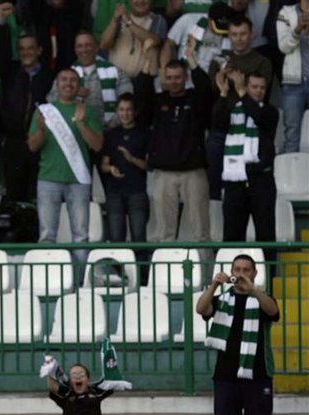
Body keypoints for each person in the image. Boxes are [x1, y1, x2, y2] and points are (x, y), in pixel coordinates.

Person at [196, 254, 280, 415]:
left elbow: (273, 311)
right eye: (237, 269)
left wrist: (253, 290)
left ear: (254, 274)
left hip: (257, 378)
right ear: (230, 271)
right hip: (225, 379)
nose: (241, 273)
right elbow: (201, 309)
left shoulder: (261, 298)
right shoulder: (222, 300)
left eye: (246, 270)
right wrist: (213, 285)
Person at [28, 68, 103, 269]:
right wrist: (42, 130)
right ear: (57, 84)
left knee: (80, 236)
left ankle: (79, 284)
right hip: (48, 178)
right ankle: (47, 280)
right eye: (64, 80)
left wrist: (81, 124)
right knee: (46, 235)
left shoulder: (88, 111)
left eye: (72, 80)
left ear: (78, 86)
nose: (68, 84)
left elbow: (97, 145)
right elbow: (32, 146)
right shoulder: (44, 111)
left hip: (79, 180)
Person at [141, 42, 212, 244]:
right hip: (163, 173)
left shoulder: (195, 99)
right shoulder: (157, 102)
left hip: (194, 171)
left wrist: (191, 59)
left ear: (185, 78)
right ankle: (166, 275)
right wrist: (149, 62)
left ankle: (206, 273)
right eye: (169, 77)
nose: (173, 82)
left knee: (201, 232)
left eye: (178, 77)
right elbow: (141, 96)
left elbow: (206, 88)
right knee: (165, 233)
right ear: (164, 78)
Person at [205, 16, 272, 200]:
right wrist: (220, 79)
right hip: (224, 121)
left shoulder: (262, 61)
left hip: (250, 123)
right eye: (234, 34)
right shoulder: (219, 59)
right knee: (213, 159)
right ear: (229, 36)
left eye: (243, 34)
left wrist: (240, 83)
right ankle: (215, 200)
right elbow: (212, 91)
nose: (239, 38)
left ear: (251, 34)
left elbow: (260, 91)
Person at [213, 70, 278, 260]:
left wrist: (241, 91)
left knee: (266, 236)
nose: (258, 91)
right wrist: (224, 93)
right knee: (232, 237)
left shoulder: (270, 112)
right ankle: (233, 284)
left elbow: (257, 115)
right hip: (235, 180)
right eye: (254, 87)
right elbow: (217, 123)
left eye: (262, 88)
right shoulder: (234, 109)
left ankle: (269, 283)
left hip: (261, 180)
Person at [0, 32, 54, 203]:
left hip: (41, 143)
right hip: (14, 143)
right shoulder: (10, 73)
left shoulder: (50, 77)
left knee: (38, 196)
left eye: (30, 48)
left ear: (39, 50)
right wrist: (1, 25)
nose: (26, 52)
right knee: (14, 195)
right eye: (21, 49)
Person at [100, 93, 149, 262]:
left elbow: (149, 166)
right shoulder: (111, 134)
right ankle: (120, 276)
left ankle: (142, 277)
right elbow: (104, 164)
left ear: (135, 112)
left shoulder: (144, 133)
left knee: (139, 237)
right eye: (121, 110)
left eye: (129, 110)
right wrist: (111, 168)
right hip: (115, 191)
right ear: (117, 112)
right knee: (115, 238)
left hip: (137, 191)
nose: (125, 113)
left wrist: (131, 159)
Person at [49, 31, 132, 127]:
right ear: (75, 50)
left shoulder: (114, 71)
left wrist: (112, 125)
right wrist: (72, 92)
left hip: (110, 131)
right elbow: (51, 100)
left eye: (87, 45)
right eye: (79, 46)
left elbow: (128, 98)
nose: (83, 50)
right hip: (75, 131)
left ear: (96, 48)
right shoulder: (66, 75)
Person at [99, 0, 168, 80]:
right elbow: (104, 45)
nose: (140, 1)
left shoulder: (158, 20)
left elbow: (154, 40)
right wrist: (114, 20)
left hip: (143, 80)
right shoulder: (121, 18)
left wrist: (128, 22)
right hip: (116, 79)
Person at [276, 0, 309, 153]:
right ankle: (289, 175)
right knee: (291, 134)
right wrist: (297, 30)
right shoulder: (285, 12)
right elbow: (283, 47)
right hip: (293, 81)